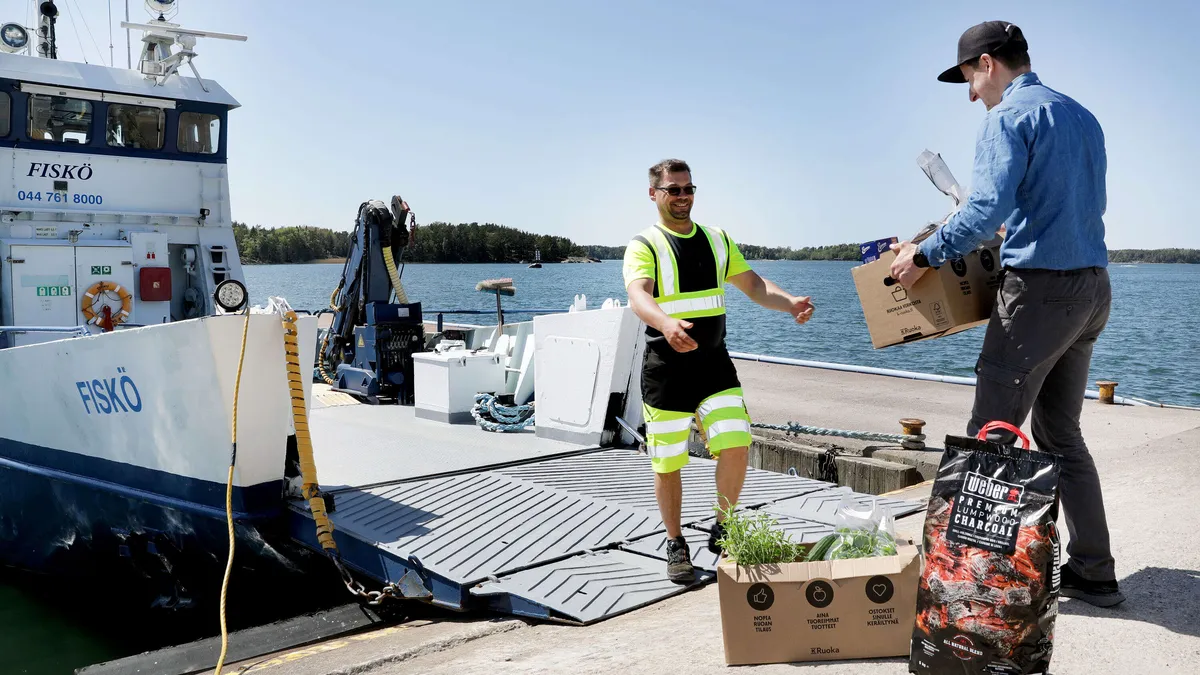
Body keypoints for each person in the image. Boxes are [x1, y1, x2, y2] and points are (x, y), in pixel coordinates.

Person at [889, 21, 1123, 607]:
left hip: (1040, 295)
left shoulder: (1008, 117)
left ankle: (972, 583)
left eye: (968, 77)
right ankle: (1094, 570)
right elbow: (1054, 204)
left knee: (990, 435)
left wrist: (924, 253)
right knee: (1061, 435)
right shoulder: (1080, 115)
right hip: (1092, 287)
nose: (971, 93)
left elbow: (986, 206)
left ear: (988, 63)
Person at [623, 158, 815, 582]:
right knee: (668, 463)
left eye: (688, 188)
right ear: (653, 194)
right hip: (666, 371)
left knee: (736, 442)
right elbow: (639, 295)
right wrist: (665, 323)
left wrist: (790, 303)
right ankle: (675, 543)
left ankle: (723, 526)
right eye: (673, 189)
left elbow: (754, 284)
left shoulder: (717, 240)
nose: (682, 197)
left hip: (714, 366)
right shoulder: (645, 245)